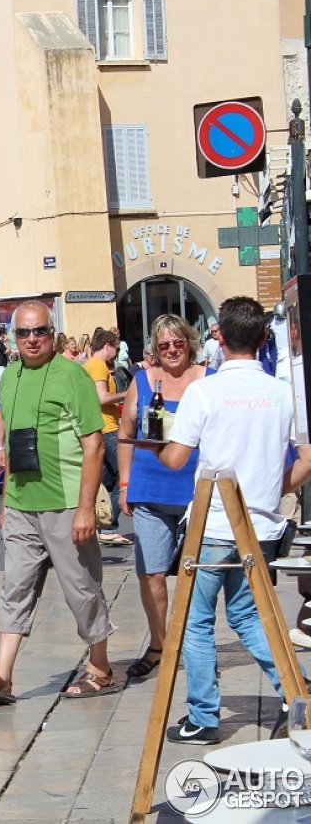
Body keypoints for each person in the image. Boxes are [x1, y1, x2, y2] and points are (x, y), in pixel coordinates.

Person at [156, 296, 311, 744]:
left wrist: (157, 447)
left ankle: (203, 716)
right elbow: (307, 458)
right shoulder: (282, 393)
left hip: (213, 524)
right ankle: (295, 687)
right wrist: (271, 486)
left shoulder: (205, 391)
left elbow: (177, 457)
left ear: (218, 337)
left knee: (194, 619)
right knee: (249, 613)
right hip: (259, 522)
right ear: (264, 339)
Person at [0, 300, 116, 705]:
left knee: (81, 588)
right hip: (21, 505)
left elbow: (94, 445)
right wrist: (6, 501)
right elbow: (14, 443)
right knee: (14, 587)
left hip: (66, 501)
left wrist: (86, 509)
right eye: (23, 333)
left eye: (40, 331)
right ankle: (2, 674)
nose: (32, 339)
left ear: (53, 333)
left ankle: (100, 668)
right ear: (13, 338)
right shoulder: (11, 376)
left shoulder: (74, 377)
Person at [116, 315, 208, 680]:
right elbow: (125, 433)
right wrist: (125, 484)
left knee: (198, 576)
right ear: (154, 350)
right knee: (150, 573)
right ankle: (160, 646)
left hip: (196, 493)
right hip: (150, 489)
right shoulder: (142, 381)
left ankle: (197, 647)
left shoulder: (208, 379)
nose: (172, 350)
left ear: (189, 342)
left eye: (178, 343)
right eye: (164, 345)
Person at [84, 330, 128, 544]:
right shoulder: (99, 365)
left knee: (104, 479)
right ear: (108, 346)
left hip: (101, 427)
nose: (117, 354)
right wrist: (128, 394)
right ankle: (108, 527)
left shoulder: (91, 364)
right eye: (116, 349)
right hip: (108, 428)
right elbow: (102, 398)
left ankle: (97, 521)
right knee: (126, 472)